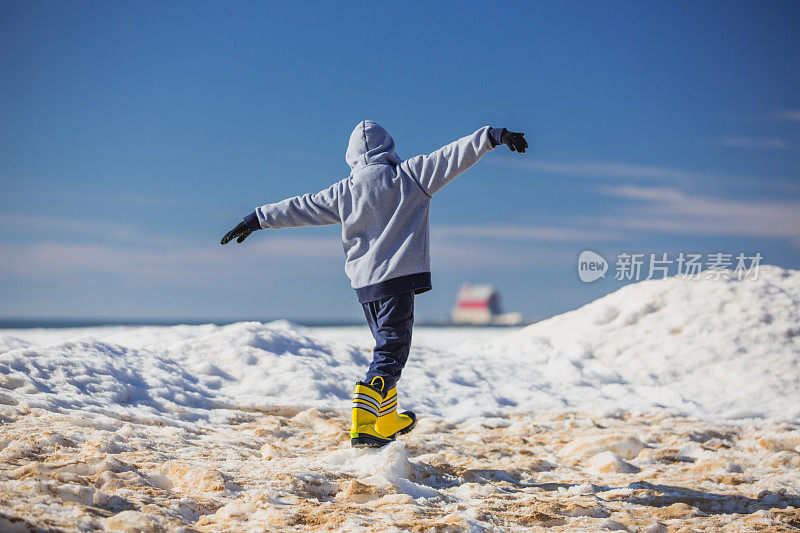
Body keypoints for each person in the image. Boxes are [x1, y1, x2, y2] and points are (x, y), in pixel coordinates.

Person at [221, 121, 528, 447]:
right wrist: (493, 136)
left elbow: (299, 206)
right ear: (389, 148)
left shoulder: (343, 192)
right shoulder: (411, 175)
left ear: (352, 156)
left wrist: (255, 219)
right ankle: (365, 420)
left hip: (367, 287)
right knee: (393, 351)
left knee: (386, 346)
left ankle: (385, 419)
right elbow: (453, 155)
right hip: (397, 280)